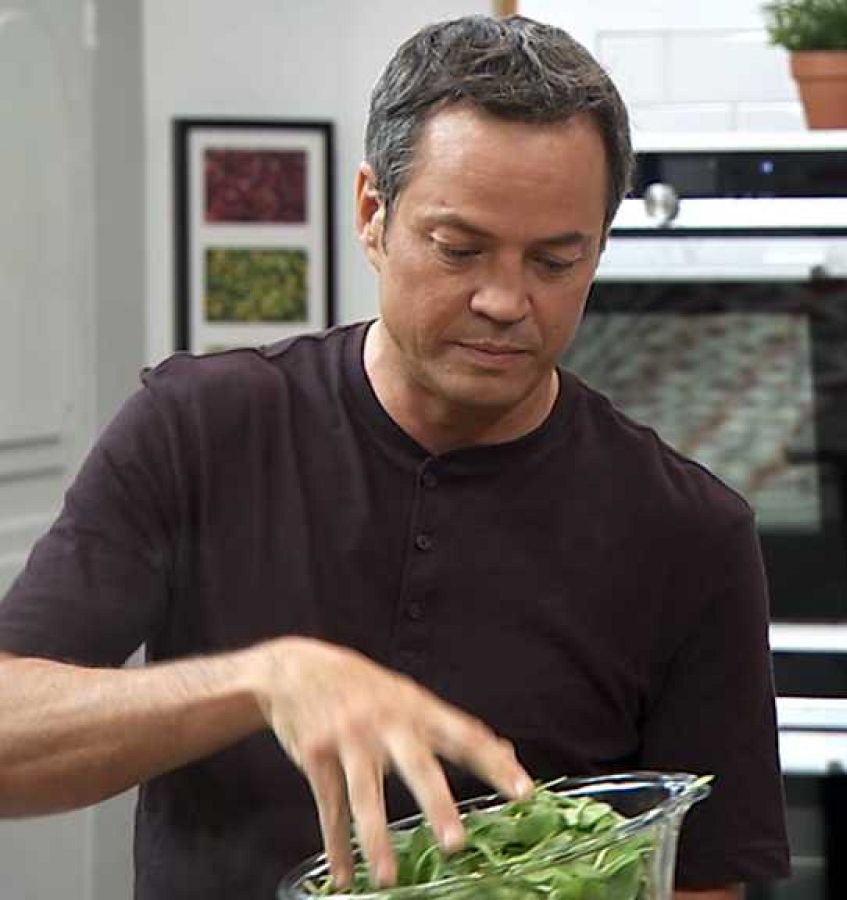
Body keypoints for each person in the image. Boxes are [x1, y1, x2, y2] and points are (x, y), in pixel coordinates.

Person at [0, 15, 788, 899]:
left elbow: (703, 880)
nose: (504, 299)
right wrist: (260, 682)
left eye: (556, 262)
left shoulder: (690, 534)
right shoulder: (197, 428)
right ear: (373, 213)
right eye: (460, 250)